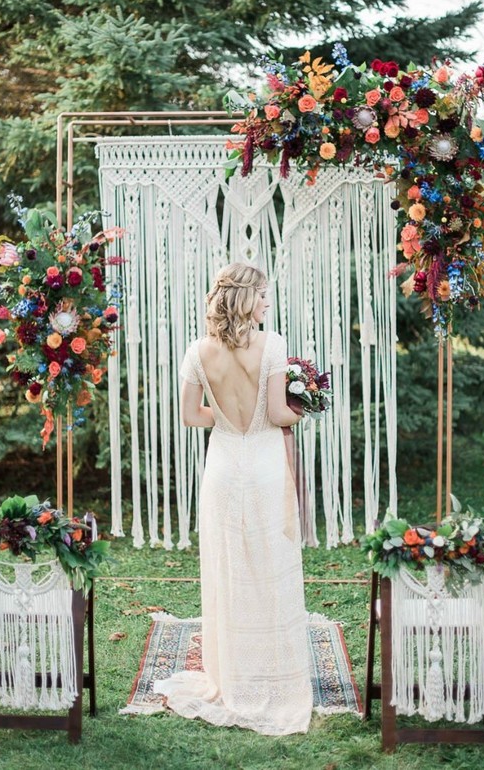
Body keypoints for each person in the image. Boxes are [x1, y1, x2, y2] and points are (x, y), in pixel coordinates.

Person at [154, 262, 313, 735]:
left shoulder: (198, 352)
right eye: (263, 294)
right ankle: (276, 674)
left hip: (223, 467)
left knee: (228, 568)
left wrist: (224, 419)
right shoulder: (274, 345)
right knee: (270, 563)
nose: (267, 302)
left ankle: (230, 673)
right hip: (264, 465)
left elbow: (189, 416)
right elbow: (279, 412)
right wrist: (303, 412)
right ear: (246, 298)